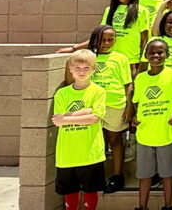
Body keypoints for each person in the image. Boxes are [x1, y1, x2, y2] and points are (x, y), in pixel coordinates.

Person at [133, 39, 172, 210]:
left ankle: (168, 205)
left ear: (167, 55)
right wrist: (135, 116)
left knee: (167, 174)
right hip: (145, 134)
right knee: (144, 175)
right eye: (152, 52)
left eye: (160, 52)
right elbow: (137, 100)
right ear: (145, 56)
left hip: (166, 133)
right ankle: (142, 206)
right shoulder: (140, 78)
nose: (156, 55)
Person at [53, 49, 107, 210]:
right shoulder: (62, 93)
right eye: (77, 68)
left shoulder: (98, 91)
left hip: (91, 153)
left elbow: (94, 118)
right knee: (70, 191)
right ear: (70, 68)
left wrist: (67, 117)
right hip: (67, 153)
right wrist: (86, 111)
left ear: (94, 69)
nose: (81, 72)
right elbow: (57, 120)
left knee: (91, 191)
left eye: (86, 68)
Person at [84, 25, 133, 194]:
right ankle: (94, 177)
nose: (106, 43)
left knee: (115, 139)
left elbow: (128, 84)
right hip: (93, 106)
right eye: (102, 39)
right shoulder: (89, 58)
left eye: (110, 39)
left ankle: (117, 175)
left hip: (115, 105)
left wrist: (129, 106)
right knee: (95, 142)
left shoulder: (120, 58)